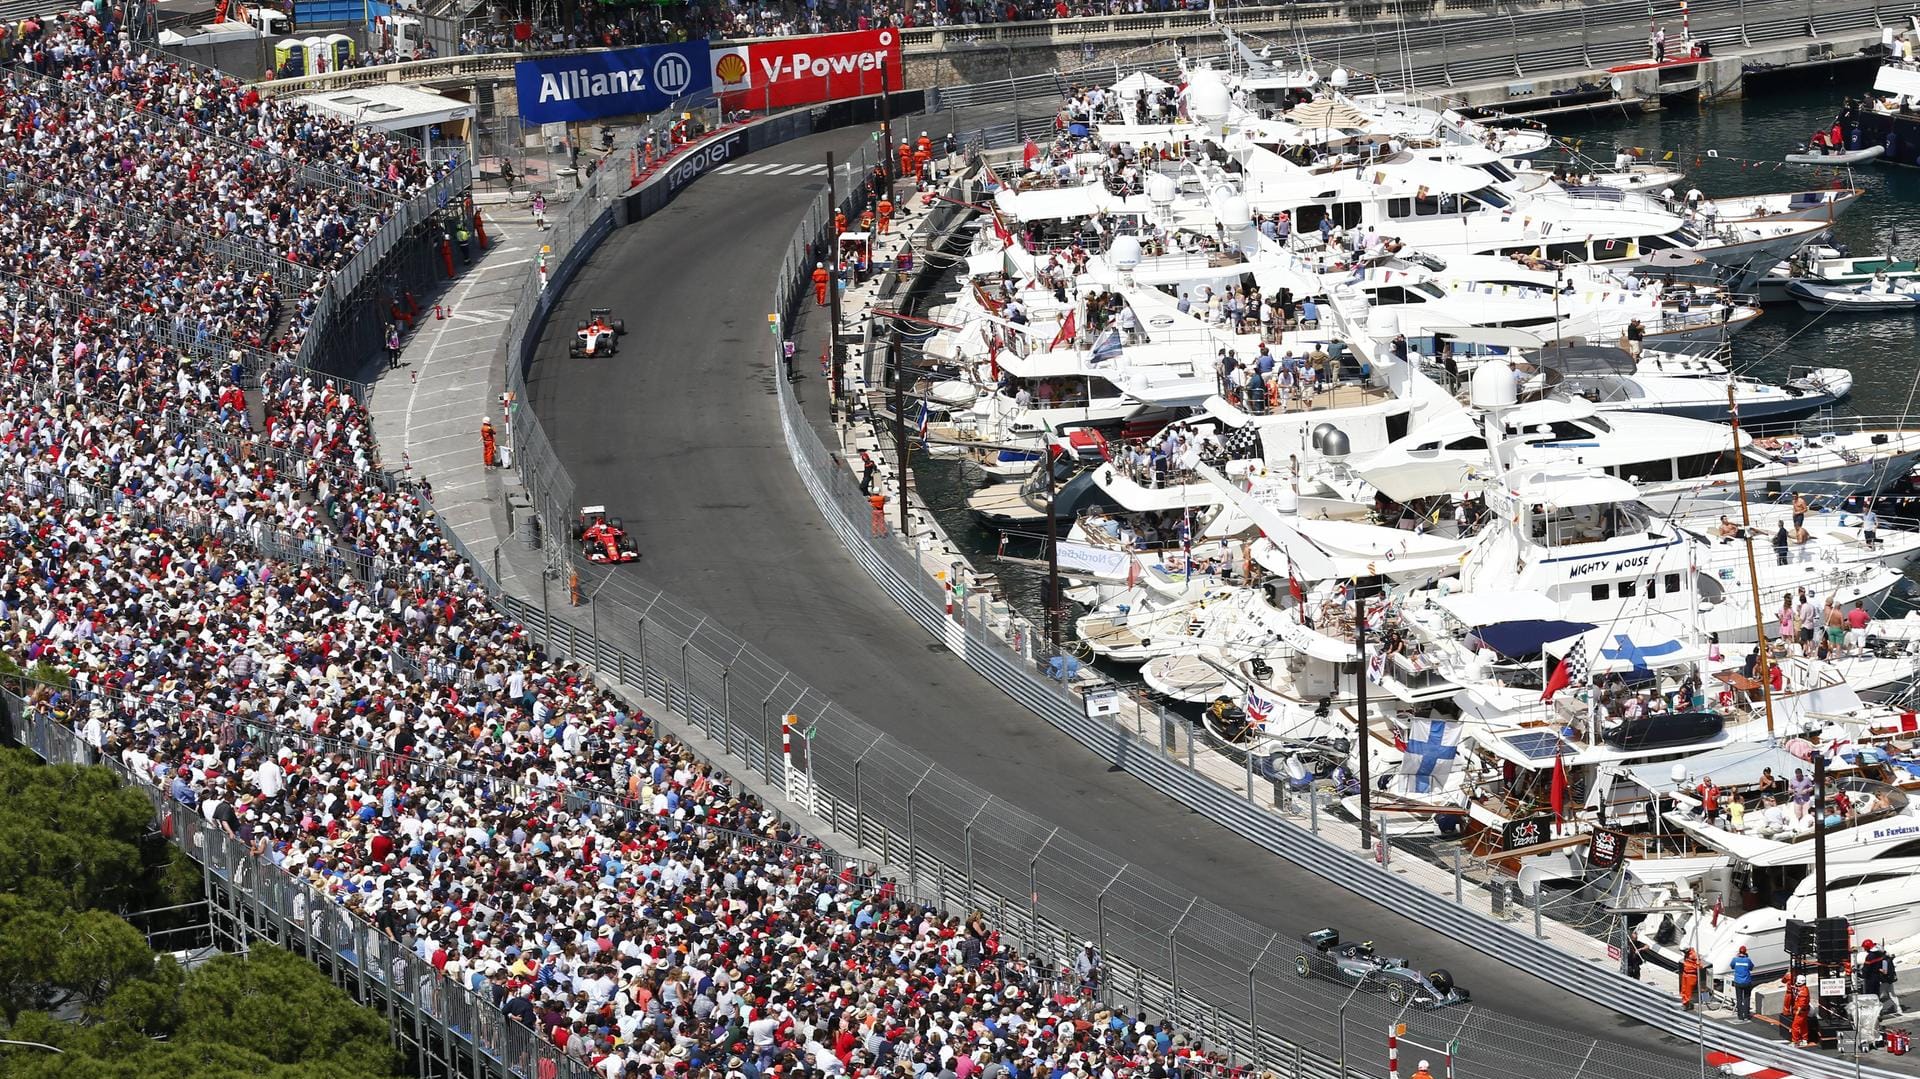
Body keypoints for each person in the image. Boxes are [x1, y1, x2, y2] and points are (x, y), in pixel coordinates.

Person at [1730, 945, 1755, 1019]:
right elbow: (1751, 968)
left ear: (1739, 952)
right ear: (1745, 952)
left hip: (1738, 982)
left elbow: (1732, 966)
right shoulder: (1748, 960)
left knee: (1739, 998)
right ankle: (1746, 1015)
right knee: (1746, 998)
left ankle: (1740, 1016)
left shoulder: (1735, 959)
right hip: (1747, 982)